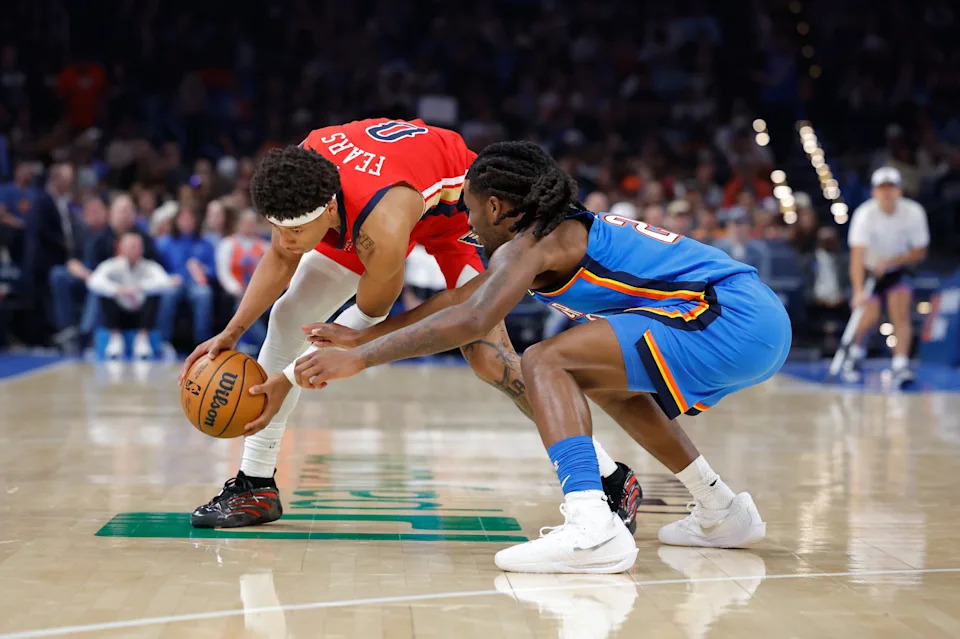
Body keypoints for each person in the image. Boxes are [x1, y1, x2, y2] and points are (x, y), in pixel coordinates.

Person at [296, 141, 790, 573]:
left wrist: (363, 358)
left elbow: (472, 320)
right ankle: (720, 508)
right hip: (756, 320)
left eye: (469, 209)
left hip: (728, 316)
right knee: (603, 382)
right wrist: (363, 337)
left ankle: (592, 528)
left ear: (495, 206)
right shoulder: (549, 234)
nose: (468, 222)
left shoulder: (533, 243)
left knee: (544, 360)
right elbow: (461, 299)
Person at [179, 120, 640, 531]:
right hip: (396, 190)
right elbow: (282, 256)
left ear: (328, 209)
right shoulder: (300, 176)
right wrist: (232, 332)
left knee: (491, 361)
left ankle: (608, 476)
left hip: (461, 214)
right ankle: (255, 484)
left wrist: (287, 378)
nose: (285, 240)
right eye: (276, 228)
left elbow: (368, 320)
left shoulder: (379, 229)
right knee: (286, 317)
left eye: (295, 231)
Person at [843, 167, 929, 386]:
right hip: (869, 271)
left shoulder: (914, 212)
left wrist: (891, 262)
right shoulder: (864, 215)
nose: (887, 193)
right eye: (882, 188)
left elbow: (920, 251)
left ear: (900, 190)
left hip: (898, 270)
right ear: (874, 192)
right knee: (868, 315)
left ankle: (900, 364)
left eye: (891, 187)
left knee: (900, 310)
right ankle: (855, 353)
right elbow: (857, 257)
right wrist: (858, 291)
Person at [87, 233, 177, 358]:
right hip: (119, 312)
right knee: (104, 293)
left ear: (142, 249)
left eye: (136, 246)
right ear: (121, 248)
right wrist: (118, 289)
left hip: (141, 313)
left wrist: (139, 288)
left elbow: (164, 282)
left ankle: (143, 339)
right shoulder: (111, 265)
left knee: (155, 295)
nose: (133, 250)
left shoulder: (150, 266)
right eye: (129, 246)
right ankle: (115, 338)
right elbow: (93, 281)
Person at [155, 207, 216, 346]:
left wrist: (203, 271)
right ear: (176, 221)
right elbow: (157, 269)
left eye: (190, 219)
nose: (187, 222)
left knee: (204, 294)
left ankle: (202, 342)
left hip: (197, 283)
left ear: (196, 221)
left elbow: (213, 271)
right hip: (174, 282)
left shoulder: (205, 243)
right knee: (168, 294)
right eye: (183, 219)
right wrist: (168, 278)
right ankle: (164, 342)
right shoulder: (164, 243)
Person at [216, 209, 270, 348]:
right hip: (236, 292)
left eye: (252, 223)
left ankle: (265, 344)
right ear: (238, 224)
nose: (249, 226)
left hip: (259, 292)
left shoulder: (264, 246)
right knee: (243, 307)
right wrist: (236, 289)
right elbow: (223, 273)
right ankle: (262, 343)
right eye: (246, 222)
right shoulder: (228, 244)